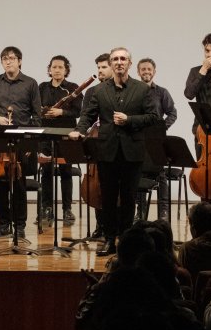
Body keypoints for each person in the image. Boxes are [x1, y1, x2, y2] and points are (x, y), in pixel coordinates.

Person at [70, 47, 158, 256]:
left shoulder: (141, 89)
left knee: (128, 198)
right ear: (111, 64)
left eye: (123, 59)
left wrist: (129, 120)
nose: (119, 62)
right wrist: (80, 130)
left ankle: (125, 241)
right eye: (115, 59)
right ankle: (109, 240)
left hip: (132, 151)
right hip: (107, 150)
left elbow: (153, 117)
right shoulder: (99, 90)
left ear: (129, 63)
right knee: (107, 198)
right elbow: (88, 115)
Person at [0, 46, 42, 238]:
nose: (8, 62)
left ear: (20, 61)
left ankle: (20, 225)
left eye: (12, 58)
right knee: (0, 182)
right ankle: (3, 224)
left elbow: (37, 115)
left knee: (19, 183)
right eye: (4, 59)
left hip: (21, 138)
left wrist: (31, 142)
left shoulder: (31, 83)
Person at [38, 55, 82, 227]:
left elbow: (78, 112)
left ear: (66, 70)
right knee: (46, 172)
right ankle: (47, 208)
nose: (57, 70)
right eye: (54, 67)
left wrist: (61, 112)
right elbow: (35, 108)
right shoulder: (42, 87)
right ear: (49, 69)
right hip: (46, 135)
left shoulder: (73, 88)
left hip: (66, 135)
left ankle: (67, 209)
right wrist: (44, 111)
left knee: (66, 172)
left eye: (60, 67)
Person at [136, 57, 177, 221]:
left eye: (149, 69)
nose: (146, 72)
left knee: (160, 174)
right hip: (138, 138)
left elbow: (172, 113)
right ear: (138, 72)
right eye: (143, 69)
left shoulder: (162, 92)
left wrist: (162, 128)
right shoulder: (134, 91)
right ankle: (140, 211)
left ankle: (163, 212)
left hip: (157, 139)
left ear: (154, 71)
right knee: (139, 173)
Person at [84, 53, 113, 240]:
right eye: (99, 67)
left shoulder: (120, 89)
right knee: (96, 185)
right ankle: (100, 225)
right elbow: (86, 116)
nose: (100, 71)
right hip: (97, 141)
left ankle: (115, 226)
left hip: (114, 142)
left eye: (104, 67)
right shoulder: (91, 92)